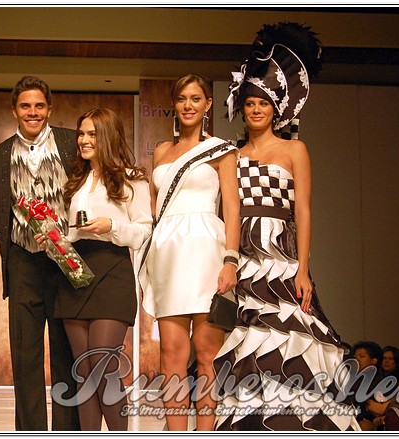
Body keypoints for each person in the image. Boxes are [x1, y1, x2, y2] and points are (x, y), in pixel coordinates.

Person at [212, 22, 360, 431]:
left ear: (276, 107)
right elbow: (228, 211)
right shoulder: (232, 155)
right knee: (252, 336)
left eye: (263, 103)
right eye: (249, 103)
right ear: (241, 109)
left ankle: (297, 423)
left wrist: (303, 269)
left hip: (281, 253)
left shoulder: (295, 149)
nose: (256, 110)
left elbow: (304, 212)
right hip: (244, 256)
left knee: (293, 333)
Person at [36, 108, 152, 430]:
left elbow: (143, 231)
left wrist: (111, 226)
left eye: (92, 134)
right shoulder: (75, 180)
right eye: (81, 134)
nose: (84, 140)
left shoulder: (132, 178)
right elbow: (72, 233)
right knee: (84, 372)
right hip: (75, 274)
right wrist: (52, 241)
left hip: (112, 272)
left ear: (109, 137)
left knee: (102, 364)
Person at [138, 74, 240, 431]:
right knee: (171, 354)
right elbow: (153, 211)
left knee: (207, 353)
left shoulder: (222, 150)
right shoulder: (161, 152)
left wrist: (231, 259)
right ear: (174, 104)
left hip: (207, 250)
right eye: (182, 98)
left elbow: (232, 208)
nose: (188, 105)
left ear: (208, 104)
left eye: (196, 98)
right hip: (168, 254)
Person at [0, 75, 80, 431]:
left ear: (49, 109)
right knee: (25, 355)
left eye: (39, 106)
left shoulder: (72, 142)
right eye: (25, 106)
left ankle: (68, 432)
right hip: (23, 261)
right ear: (14, 110)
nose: (33, 112)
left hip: (66, 260)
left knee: (66, 353)